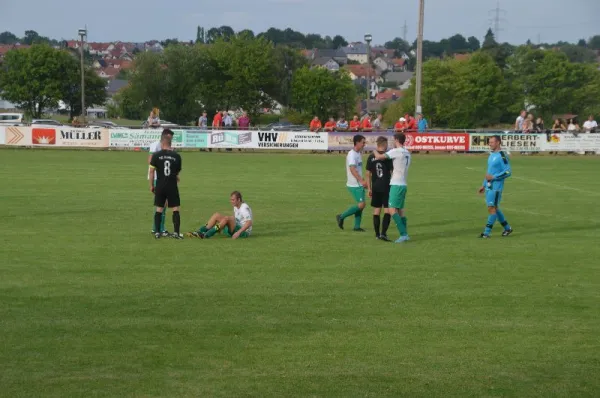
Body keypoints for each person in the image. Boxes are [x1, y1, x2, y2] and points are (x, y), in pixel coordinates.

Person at [371, 133, 411, 243]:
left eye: (394, 140)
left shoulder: (396, 151)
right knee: (401, 210)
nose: (393, 142)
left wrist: (373, 150)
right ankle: (405, 233)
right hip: (403, 184)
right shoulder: (407, 152)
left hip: (396, 184)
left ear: (397, 140)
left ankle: (403, 234)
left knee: (392, 210)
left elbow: (379, 157)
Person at [148, 130, 183, 239]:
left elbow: (151, 171)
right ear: (170, 144)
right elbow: (177, 172)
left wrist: (151, 185)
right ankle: (176, 233)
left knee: (159, 208)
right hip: (172, 185)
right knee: (175, 208)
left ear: (162, 143)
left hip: (160, 185)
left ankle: (157, 232)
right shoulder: (177, 156)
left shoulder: (156, 155)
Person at [477, 135, 513, 238]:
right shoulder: (492, 155)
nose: (490, 144)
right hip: (489, 186)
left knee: (491, 208)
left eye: (492, 142)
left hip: (496, 188)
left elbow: (508, 171)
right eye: (489, 142)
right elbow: (489, 172)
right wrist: (483, 185)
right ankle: (507, 228)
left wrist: (494, 177)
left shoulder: (502, 155)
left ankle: (486, 233)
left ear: (498, 143)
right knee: (494, 208)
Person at [187, 191, 253, 239]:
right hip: (236, 227)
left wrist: (238, 233)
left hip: (243, 233)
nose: (231, 201)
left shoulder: (244, 208)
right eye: (231, 199)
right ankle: (199, 232)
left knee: (227, 218)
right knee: (216, 215)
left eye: (233, 200)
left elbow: (249, 222)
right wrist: (223, 224)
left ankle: (206, 235)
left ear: (238, 200)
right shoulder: (236, 206)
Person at [336, 134, 368, 232]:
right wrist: (361, 181)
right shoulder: (352, 154)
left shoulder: (358, 153)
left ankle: (357, 227)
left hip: (358, 183)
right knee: (362, 204)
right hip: (354, 184)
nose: (364, 144)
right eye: (363, 142)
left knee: (360, 204)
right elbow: (352, 169)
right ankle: (341, 216)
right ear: (357, 142)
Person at [366, 136, 393, 241]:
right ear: (385, 144)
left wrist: (369, 188)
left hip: (375, 187)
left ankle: (377, 235)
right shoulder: (387, 156)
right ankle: (383, 233)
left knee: (376, 211)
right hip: (386, 186)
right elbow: (391, 172)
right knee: (387, 211)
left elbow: (368, 174)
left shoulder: (371, 156)